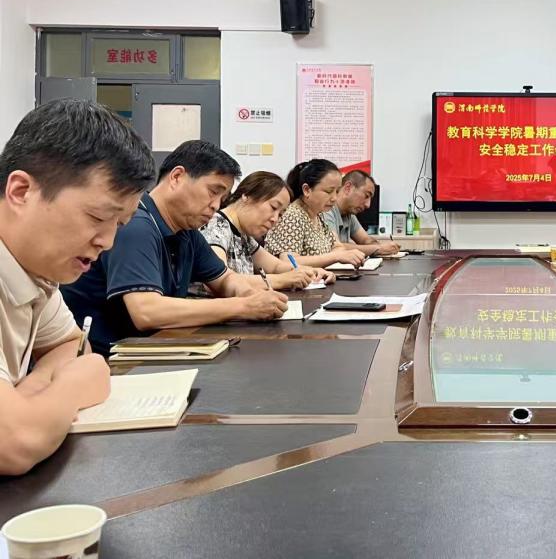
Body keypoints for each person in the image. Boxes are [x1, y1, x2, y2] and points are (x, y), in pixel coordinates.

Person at [0, 100, 153, 474]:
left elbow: (69, 344)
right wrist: (75, 385)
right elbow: (14, 443)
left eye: (119, 224)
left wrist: (32, 397)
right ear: (21, 191)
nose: (107, 242)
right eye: (98, 217)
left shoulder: (36, 269)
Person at [63, 140, 289, 356]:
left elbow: (225, 279)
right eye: (213, 191)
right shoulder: (136, 225)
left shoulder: (187, 231)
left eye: (222, 197)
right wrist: (243, 306)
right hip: (109, 360)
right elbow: (146, 311)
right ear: (177, 177)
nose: (216, 205)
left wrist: (248, 294)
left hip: (153, 349)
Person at [199, 171, 336, 291]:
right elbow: (222, 280)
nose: (275, 219)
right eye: (273, 207)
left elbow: (275, 266)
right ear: (247, 196)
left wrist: (310, 272)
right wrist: (283, 280)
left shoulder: (243, 234)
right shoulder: (215, 227)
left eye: (280, 214)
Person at [264, 160, 367, 268]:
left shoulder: (319, 215)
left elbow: (337, 246)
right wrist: (335, 257)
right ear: (307, 190)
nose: (334, 198)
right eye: (328, 191)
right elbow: (289, 261)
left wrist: (339, 254)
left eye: (337, 191)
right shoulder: (292, 216)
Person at [322, 170, 400, 256]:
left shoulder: (349, 214)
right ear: (348, 188)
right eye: (366, 196)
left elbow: (366, 240)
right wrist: (378, 249)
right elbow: (335, 247)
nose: (368, 205)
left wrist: (382, 247)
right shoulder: (326, 209)